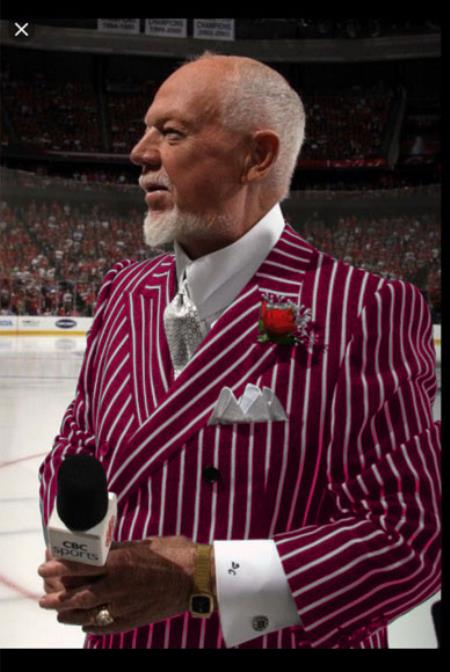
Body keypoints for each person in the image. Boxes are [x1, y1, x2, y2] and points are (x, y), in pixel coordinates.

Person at [37, 53, 441, 649]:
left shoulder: (364, 308)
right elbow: (79, 440)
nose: (140, 153)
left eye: (171, 133)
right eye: (146, 131)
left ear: (258, 156)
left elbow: (408, 539)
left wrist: (202, 579)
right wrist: (75, 540)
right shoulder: (123, 289)